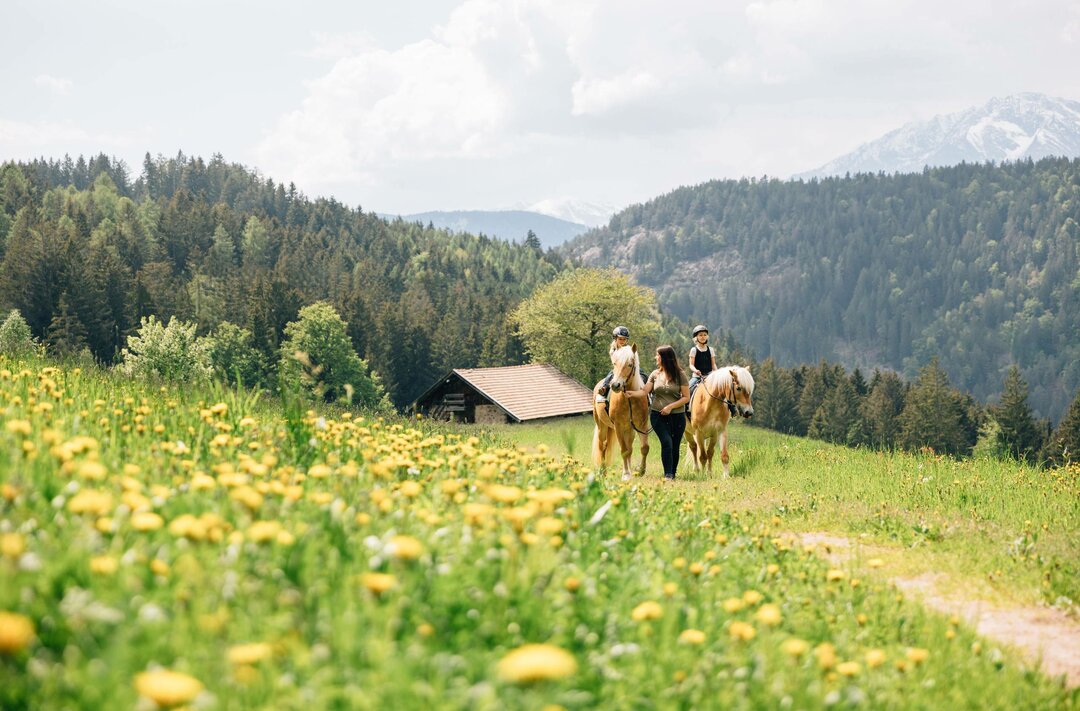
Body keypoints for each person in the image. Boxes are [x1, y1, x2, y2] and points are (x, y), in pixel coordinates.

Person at [630, 345, 689, 480]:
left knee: (675, 445)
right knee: (667, 442)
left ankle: (672, 473)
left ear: (665, 358)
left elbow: (686, 397)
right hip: (658, 416)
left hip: (678, 417)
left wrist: (670, 407)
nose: (655, 357)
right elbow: (645, 391)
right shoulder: (654, 374)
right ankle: (668, 474)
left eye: (658, 355)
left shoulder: (681, 375)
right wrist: (631, 394)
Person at [595, 326, 631, 403]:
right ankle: (603, 390)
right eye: (620, 339)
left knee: (642, 373)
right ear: (615, 339)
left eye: (624, 339)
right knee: (610, 375)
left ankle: (648, 394)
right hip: (618, 368)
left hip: (628, 367)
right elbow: (615, 361)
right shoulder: (613, 350)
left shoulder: (629, 348)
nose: (622, 341)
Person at [687, 324, 717, 390]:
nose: (703, 337)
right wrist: (696, 371)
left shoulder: (711, 350)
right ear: (696, 337)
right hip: (697, 377)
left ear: (707, 336)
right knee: (688, 389)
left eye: (705, 335)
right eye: (700, 335)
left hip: (710, 376)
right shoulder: (694, 350)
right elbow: (691, 365)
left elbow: (713, 364)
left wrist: (717, 372)